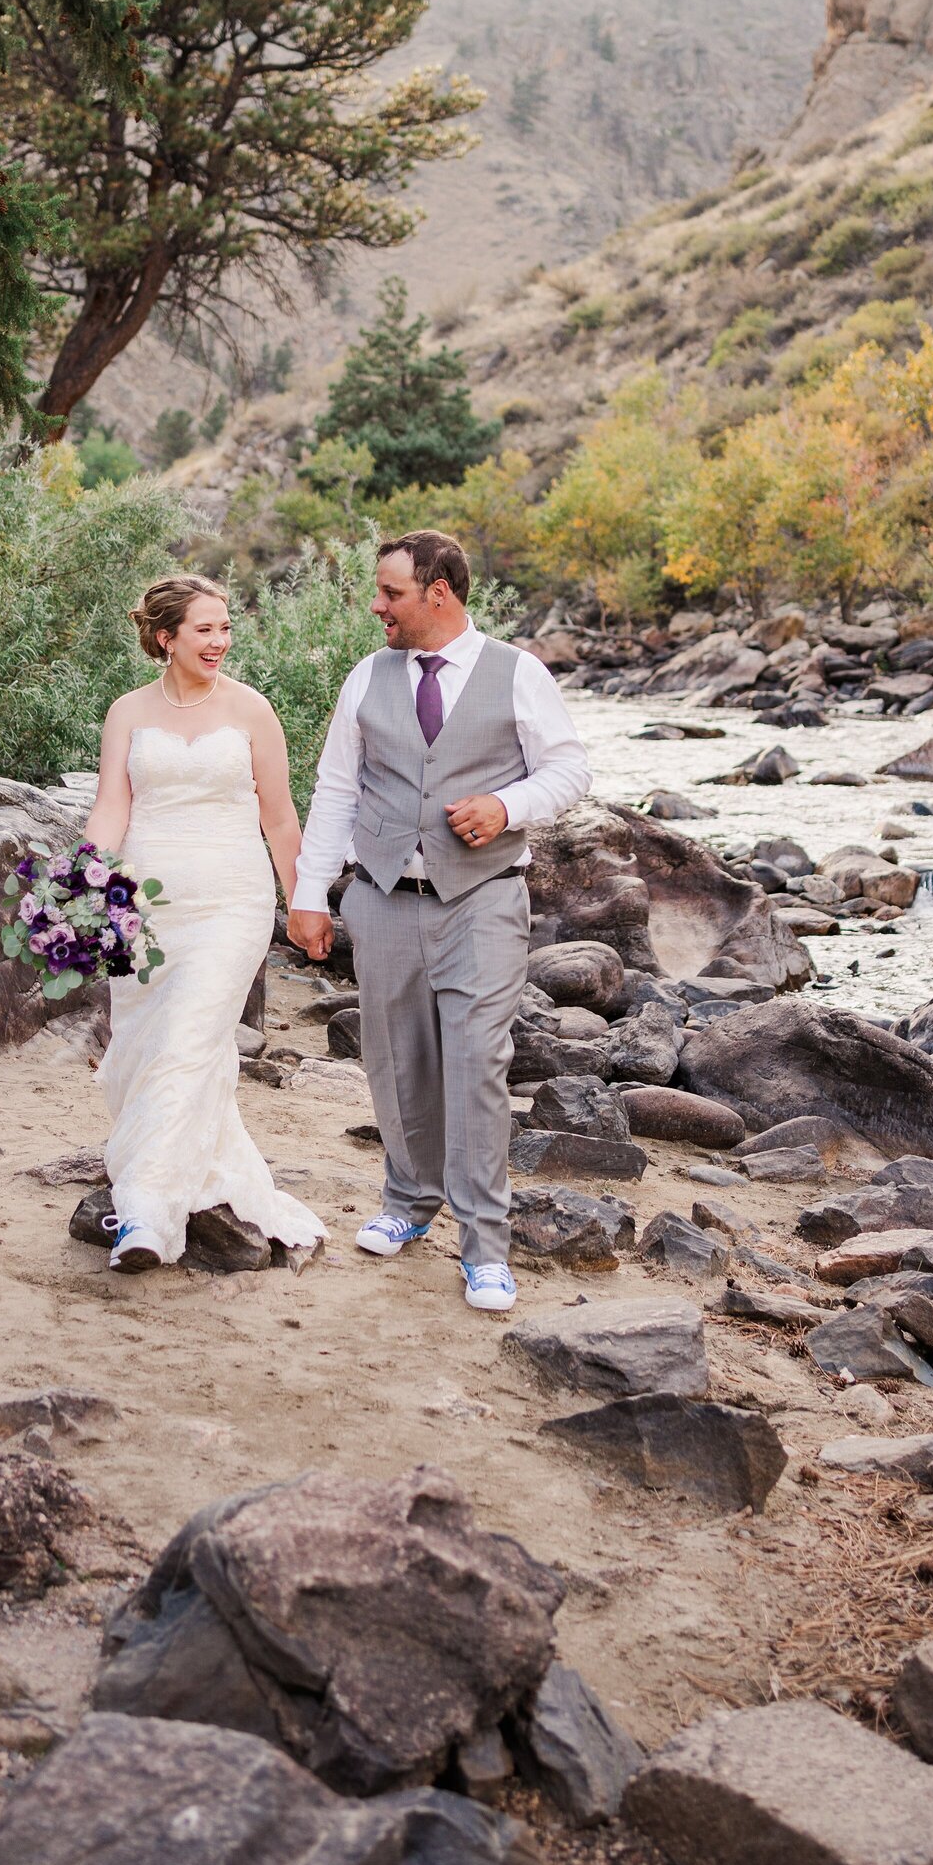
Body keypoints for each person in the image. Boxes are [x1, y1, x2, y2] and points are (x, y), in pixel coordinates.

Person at [287, 531, 591, 1311]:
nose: (376, 605)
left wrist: (507, 805)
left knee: (478, 1065)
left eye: (390, 592)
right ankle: (407, 1203)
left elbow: (568, 770)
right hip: (384, 898)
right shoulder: (367, 676)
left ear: (439, 593)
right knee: (395, 1058)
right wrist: (312, 893)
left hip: (484, 900)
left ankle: (486, 1247)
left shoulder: (518, 672)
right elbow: (336, 791)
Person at [83, 573, 325, 1274]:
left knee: (190, 1035)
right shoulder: (127, 712)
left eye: (225, 629)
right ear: (166, 637)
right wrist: (84, 886)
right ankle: (194, 1168)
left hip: (230, 900)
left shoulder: (252, 711)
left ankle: (148, 1219)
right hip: (147, 902)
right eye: (205, 630)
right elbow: (111, 809)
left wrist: (306, 904)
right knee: (146, 1044)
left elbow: (279, 818)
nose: (220, 642)